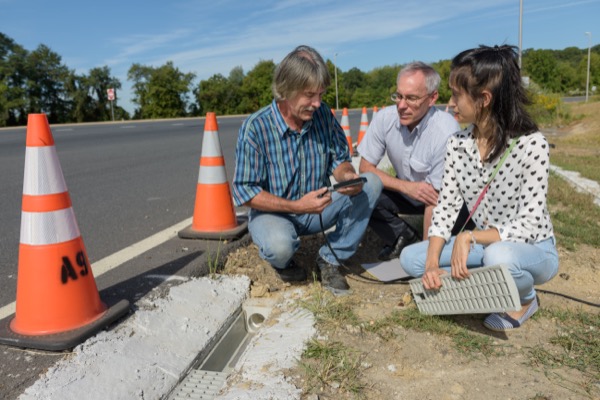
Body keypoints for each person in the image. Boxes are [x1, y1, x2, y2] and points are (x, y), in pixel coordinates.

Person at [401, 45, 559, 331]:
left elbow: (530, 224)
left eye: (457, 94)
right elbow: (446, 208)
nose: (450, 103)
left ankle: (525, 298)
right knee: (412, 260)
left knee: (498, 256)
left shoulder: (531, 144)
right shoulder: (457, 144)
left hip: (532, 249)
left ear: (484, 98)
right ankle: (485, 286)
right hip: (482, 246)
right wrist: (432, 265)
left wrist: (469, 237)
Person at [232, 45, 383, 294]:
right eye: (309, 95)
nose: (317, 103)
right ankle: (284, 261)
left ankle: (329, 259)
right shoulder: (256, 128)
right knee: (280, 247)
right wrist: (297, 206)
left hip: (318, 206)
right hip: (275, 213)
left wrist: (347, 176)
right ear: (284, 91)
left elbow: (339, 160)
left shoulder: (322, 115)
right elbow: (245, 193)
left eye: (321, 95)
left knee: (372, 184)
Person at [358, 62, 471, 261]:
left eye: (411, 98)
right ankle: (403, 236)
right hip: (410, 192)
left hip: (449, 200)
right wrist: (407, 187)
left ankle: (436, 247)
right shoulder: (385, 119)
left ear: (432, 98)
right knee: (363, 190)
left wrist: (426, 260)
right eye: (399, 96)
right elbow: (365, 169)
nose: (401, 106)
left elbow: (435, 201)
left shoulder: (445, 132)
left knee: (441, 253)